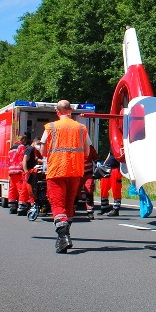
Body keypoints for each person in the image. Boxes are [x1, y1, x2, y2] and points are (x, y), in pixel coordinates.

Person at [40, 100, 92, 253]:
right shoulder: (81, 128)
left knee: (57, 204)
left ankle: (63, 236)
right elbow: (87, 152)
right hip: (75, 170)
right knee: (69, 203)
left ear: (58, 112)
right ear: (70, 111)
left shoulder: (51, 127)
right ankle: (64, 235)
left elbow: (43, 151)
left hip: (56, 170)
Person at [6, 134, 30, 214]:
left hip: (11, 171)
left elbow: (8, 160)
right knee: (22, 189)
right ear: (23, 140)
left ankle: (12, 207)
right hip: (19, 170)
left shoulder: (11, 148)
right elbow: (23, 159)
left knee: (13, 189)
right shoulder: (22, 147)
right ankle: (22, 207)